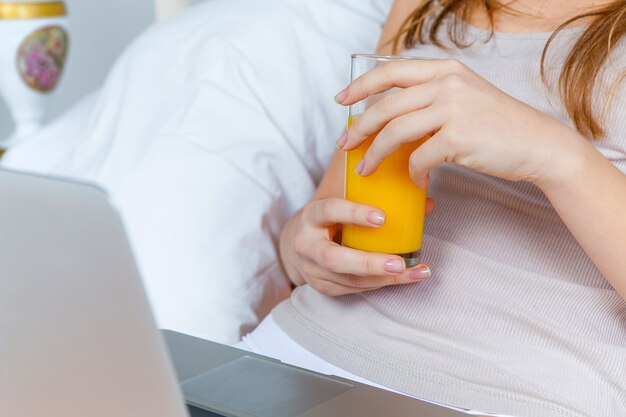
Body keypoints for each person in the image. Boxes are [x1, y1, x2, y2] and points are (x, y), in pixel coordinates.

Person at [235, 0, 626, 415]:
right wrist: (307, 247)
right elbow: (321, 223)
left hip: (515, 394)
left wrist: (554, 155)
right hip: (293, 354)